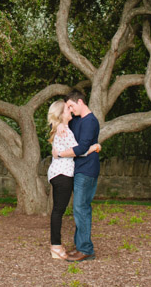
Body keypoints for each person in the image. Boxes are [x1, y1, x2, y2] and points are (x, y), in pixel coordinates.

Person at [46, 100, 100, 260]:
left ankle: (57, 245)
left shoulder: (64, 128)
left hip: (59, 173)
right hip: (62, 174)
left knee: (58, 210)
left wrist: (60, 124)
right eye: (67, 108)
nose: (70, 110)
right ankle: (55, 247)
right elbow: (80, 151)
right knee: (58, 211)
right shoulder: (65, 131)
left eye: (71, 107)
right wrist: (95, 147)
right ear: (62, 114)